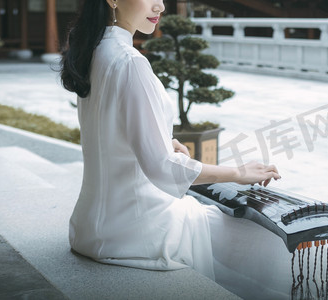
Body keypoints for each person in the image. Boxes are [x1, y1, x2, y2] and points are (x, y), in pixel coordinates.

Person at [59, 0, 293, 299]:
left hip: (88, 227)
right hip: (134, 229)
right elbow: (161, 167)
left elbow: (106, 128)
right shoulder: (130, 62)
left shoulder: (93, 50)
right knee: (268, 239)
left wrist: (161, 139)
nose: (161, 6)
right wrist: (237, 172)